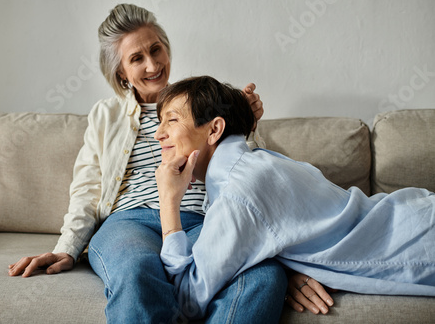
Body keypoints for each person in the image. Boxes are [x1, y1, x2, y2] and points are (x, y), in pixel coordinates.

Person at [8, 4, 289, 323]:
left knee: (263, 276)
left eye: (156, 50)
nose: (153, 64)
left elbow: (255, 175)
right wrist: (67, 248)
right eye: (137, 58)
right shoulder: (106, 116)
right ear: (121, 73)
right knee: (138, 269)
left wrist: (244, 120)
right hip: (130, 222)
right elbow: (87, 189)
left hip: (205, 220)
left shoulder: (209, 102)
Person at [154, 75, 435, 319]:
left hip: (418, 243)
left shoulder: (236, 192)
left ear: (214, 129)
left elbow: (187, 298)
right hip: (414, 214)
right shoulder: (253, 165)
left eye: (172, 120)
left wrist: (168, 202)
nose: (158, 134)